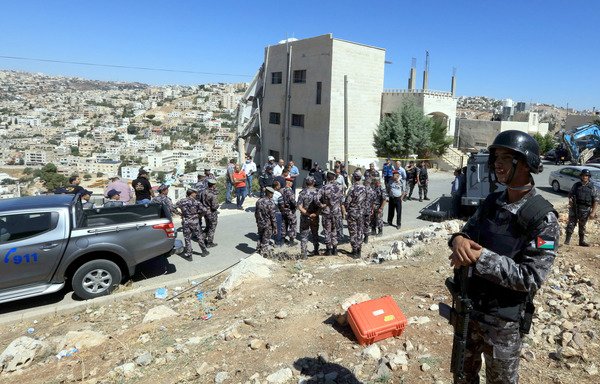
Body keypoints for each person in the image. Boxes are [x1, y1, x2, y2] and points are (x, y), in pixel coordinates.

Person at [448, 130, 559, 383]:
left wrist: (480, 258)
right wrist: (457, 239)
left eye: (507, 157)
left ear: (525, 163)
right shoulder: (491, 202)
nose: (497, 163)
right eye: (496, 157)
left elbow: (530, 278)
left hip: (503, 323)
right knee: (462, 376)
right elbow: (465, 234)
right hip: (470, 309)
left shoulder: (543, 218)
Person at [565, 168, 597, 246]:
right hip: (575, 207)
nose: (584, 177)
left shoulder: (592, 187)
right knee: (571, 223)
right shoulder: (576, 185)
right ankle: (567, 241)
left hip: (585, 209)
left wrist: (593, 212)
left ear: (588, 177)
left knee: (582, 225)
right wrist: (570, 200)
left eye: (586, 176)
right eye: (583, 175)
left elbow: (596, 201)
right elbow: (570, 194)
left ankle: (581, 241)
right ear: (581, 176)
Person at [176, 189, 209, 260]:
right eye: (195, 193)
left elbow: (172, 207)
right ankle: (204, 251)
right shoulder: (196, 202)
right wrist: (199, 215)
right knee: (199, 236)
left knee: (187, 238)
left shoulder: (181, 201)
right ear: (191, 194)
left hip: (185, 221)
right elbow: (205, 210)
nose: (196, 194)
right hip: (194, 221)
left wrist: (180, 214)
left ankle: (189, 255)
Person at [318, 171, 344, 255]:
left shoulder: (323, 188)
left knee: (327, 230)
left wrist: (322, 205)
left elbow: (316, 199)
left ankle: (328, 250)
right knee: (335, 230)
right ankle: (335, 249)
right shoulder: (339, 188)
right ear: (334, 178)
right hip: (336, 212)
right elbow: (342, 201)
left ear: (326, 178)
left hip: (327, 212)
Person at [297, 176, 321, 258]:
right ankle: (316, 251)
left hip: (305, 217)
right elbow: (320, 206)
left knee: (304, 236)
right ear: (313, 182)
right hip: (315, 217)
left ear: (306, 183)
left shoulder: (302, 193)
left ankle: (304, 254)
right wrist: (315, 214)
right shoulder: (318, 192)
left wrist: (307, 214)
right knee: (315, 233)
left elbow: (300, 207)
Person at [344, 171, 367, 257]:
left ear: (354, 178)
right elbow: (366, 201)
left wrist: (345, 209)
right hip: (361, 212)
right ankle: (359, 250)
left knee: (353, 232)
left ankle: (355, 251)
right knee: (360, 231)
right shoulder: (364, 188)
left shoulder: (352, 189)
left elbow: (347, 202)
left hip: (353, 212)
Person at [255, 186, 277, 257]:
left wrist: (257, 221)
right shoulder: (271, 203)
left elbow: (256, 213)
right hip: (268, 224)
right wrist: (275, 227)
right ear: (269, 193)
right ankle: (264, 254)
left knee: (260, 237)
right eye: (272, 193)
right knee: (266, 239)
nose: (272, 195)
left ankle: (258, 250)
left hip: (260, 222)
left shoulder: (259, 201)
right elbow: (273, 216)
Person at [199, 178, 219, 247]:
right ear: (213, 185)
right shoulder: (212, 195)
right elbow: (214, 206)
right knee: (212, 227)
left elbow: (200, 202)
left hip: (205, 212)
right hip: (211, 212)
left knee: (208, 226)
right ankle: (210, 243)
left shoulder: (203, 192)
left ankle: (201, 238)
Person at [281, 177, 298, 246]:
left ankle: (282, 238)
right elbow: (292, 201)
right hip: (290, 210)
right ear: (289, 183)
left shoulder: (282, 190)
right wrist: (297, 206)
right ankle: (291, 240)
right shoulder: (289, 191)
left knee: (284, 224)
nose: (292, 183)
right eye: (291, 182)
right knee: (292, 224)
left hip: (283, 209)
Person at [272, 181, 284, 247]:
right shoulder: (278, 194)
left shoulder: (268, 193)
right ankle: (278, 242)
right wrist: (283, 212)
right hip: (277, 212)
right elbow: (281, 205)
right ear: (276, 187)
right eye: (279, 185)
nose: (280, 186)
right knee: (278, 228)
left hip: (269, 212)